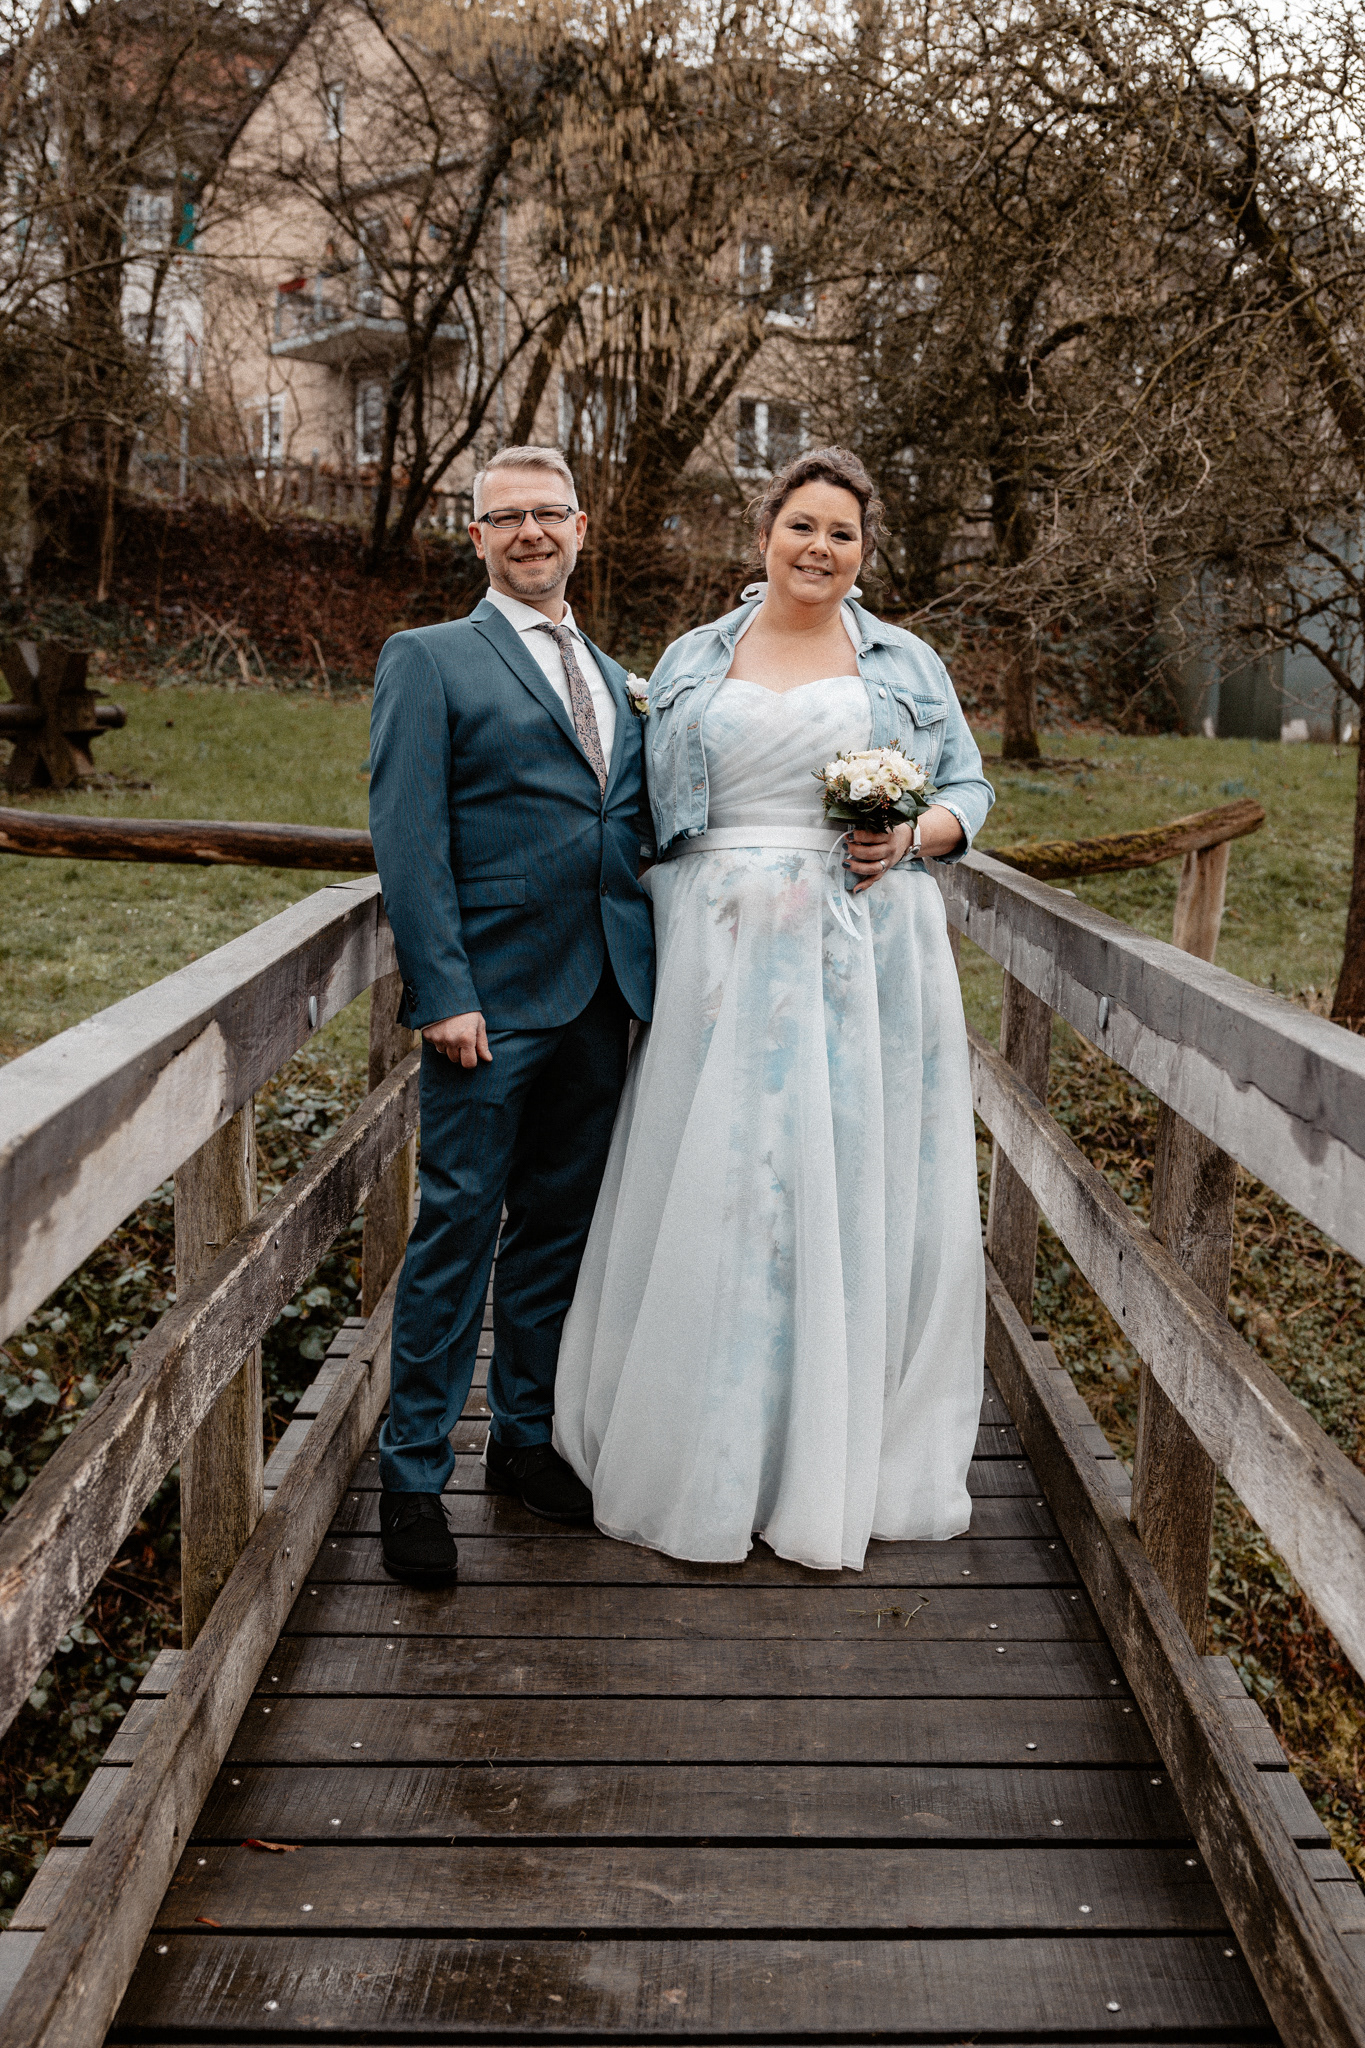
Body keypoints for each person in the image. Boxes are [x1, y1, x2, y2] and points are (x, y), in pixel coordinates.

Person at [553, 447, 994, 1572]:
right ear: (765, 534)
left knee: (835, 1180)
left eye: (842, 533)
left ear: (863, 550)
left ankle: (828, 1444)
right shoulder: (695, 655)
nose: (820, 547)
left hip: (859, 948)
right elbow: (637, 797)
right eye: (802, 524)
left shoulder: (903, 661)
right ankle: (707, 1438)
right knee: (722, 1176)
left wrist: (911, 837)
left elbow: (971, 790)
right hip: (716, 949)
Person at [367, 444, 654, 1586]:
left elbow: (628, 828)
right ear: (475, 533)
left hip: (602, 995)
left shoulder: (619, 671)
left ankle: (522, 1442)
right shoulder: (430, 658)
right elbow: (408, 833)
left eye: (549, 513)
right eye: (506, 517)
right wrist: (444, 990)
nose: (531, 531)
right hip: (486, 1004)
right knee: (453, 1232)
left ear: (583, 526)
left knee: (556, 1233)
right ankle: (411, 1473)